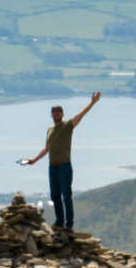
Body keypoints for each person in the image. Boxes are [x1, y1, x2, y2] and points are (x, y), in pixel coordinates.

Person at [27, 91, 101, 232]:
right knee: (55, 196)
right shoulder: (49, 130)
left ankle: (69, 225)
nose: (56, 114)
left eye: (58, 112)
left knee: (67, 196)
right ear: (51, 115)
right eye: (54, 112)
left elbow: (80, 115)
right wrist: (34, 160)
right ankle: (59, 222)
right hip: (52, 167)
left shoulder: (67, 126)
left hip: (64, 166)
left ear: (63, 114)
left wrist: (92, 102)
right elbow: (47, 148)